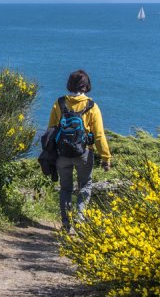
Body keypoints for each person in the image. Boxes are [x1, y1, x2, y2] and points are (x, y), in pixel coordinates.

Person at [47, 69, 112, 231]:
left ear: (70, 84)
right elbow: (99, 135)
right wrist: (106, 158)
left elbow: (51, 130)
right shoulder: (92, 106)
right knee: (85, 186)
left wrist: (49, 154)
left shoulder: (59, 103)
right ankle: (80, 220)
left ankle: (66, 225)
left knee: (65, 188)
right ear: (86, 86)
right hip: (84, 153)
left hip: (62, 154)